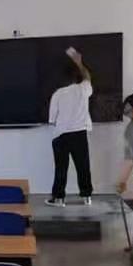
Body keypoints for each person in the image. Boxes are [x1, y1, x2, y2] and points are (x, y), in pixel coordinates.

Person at [45, 48, 94, 207]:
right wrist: (79, 62)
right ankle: (87, 197)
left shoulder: (57, 94)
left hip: (61, 135)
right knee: (83, 166)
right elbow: (88, 77)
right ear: (76, 77)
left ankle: (59, 199)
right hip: (79, 134)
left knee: (61, 168)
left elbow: (52, 120)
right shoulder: (83, 89)